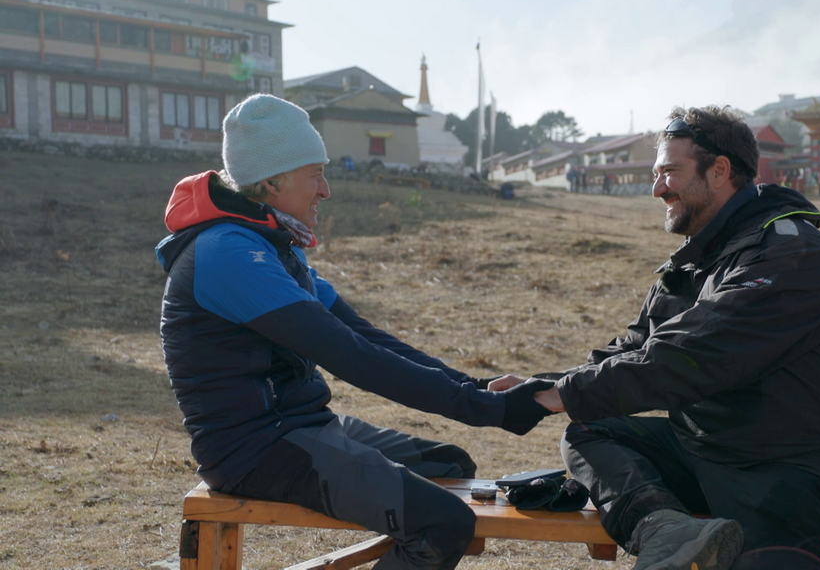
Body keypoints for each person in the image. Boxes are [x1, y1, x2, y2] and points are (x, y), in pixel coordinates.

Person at [156, 94, 553, 570]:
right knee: (442, 523)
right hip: (255, 452)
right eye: (314, 174)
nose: (325, 189)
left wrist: (477, 388)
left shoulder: (272, 246)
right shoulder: (228, 254)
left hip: (301, 428)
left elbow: (367, 336)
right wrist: (488, 409)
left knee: (451, 468)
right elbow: (350, 355)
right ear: (272, 180)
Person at [493, 106, 820, 570]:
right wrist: (541, 385)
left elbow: (693, 353)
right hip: (714, 454)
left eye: (670, 171)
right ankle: (664, 529)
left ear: (720, 170)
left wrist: (560, 393)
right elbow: (637, 348)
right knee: (591, 429)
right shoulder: (694, 261)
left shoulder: (790, 252)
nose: (657, 188)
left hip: (808, 471)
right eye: (655, 173)